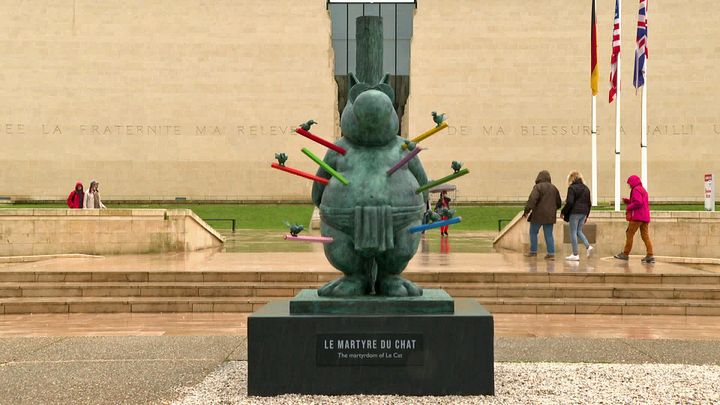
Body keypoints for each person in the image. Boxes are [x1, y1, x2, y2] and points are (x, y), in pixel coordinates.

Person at [614, 175, 654, 263]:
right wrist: (628, 201)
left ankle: (625, 254)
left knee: (629, 234)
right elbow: (640, 201)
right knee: (645, 236)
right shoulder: (642, 189)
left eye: (629, 183)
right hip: (645, 217)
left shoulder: (635, 189)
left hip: (637, 217)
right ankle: (650, 255)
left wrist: (629, 207)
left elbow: (638, 202)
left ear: (633, 182)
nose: (629, 186)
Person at [523, 170, 562, 259]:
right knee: (548, 234)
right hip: (550, 216)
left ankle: (533, 251)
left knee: (533, 232)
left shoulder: (537, 187)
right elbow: (559, 203)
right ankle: (551, 253)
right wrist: (552, 209)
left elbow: (532, 199)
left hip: (538, 215)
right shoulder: (554, 188)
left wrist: (526, 211)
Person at [560, 171, 593, 261]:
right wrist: (587, 215)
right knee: (579, 231)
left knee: (573, 232)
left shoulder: (572, 188)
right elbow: (589, 203)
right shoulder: (586, 188)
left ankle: (575, 254)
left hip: (574, 213)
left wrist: (563, 212)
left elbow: (570, 202)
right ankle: (588, 246)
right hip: (584, 212)